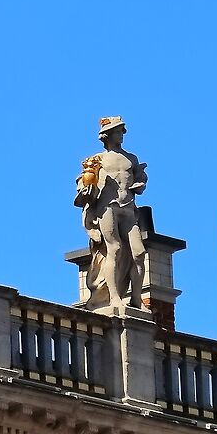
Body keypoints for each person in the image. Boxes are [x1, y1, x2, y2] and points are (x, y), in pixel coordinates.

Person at [74, 116, 151, 312]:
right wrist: (87, 188)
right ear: (107, 135)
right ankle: (114, 297)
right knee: (114, 249)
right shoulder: (97, 160)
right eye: (118, 131)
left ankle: (135, 298)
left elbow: (138, 182)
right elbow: (85, 185)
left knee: (139, 253)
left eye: (122, 131)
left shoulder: (131, 158)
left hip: (128, 208)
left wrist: (141, 182)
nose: (122, 135)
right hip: (107, 208)